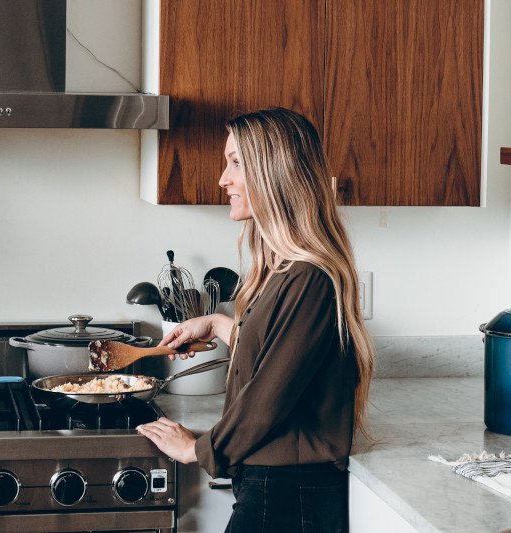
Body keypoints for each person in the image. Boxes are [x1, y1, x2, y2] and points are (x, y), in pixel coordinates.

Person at [136, 107, 374, 532]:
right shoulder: (282, 270)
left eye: (236, 163)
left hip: (290, 491)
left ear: (274, 172)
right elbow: (280, 350)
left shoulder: (309, 277)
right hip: (275, 483)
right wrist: (219, 324)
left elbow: (268, 397)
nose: (223, 179)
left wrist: (201, 450)